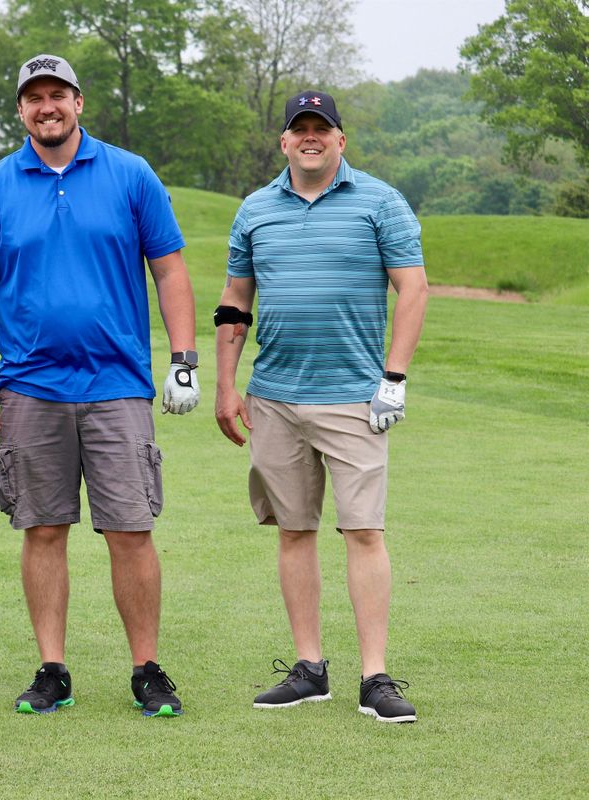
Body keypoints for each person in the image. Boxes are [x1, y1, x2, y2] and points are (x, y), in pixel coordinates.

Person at [0, 54, 199, 718]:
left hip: (118, 382)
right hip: (29, 387)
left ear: (79, 102)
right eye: (34, 97)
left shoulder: (130, 174)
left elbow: (169, 270)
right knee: (42, 529)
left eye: (57, 94)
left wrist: (183, 359)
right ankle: (53, 669)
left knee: (131, 530)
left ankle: (147, 669)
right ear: (21, 110)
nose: (47, 107)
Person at [215, 90, 428, 724]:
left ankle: (375, 677)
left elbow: (413, 289)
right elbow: (235, 298)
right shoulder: (256, 209)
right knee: (293, 530)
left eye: (322, 128)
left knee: (363, 530)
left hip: (354, 397)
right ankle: (309, 670)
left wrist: (394, 378)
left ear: (340, 140)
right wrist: (226, 384)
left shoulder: (380, 202)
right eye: (299, 128)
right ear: (284, 141)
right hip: (275, 397)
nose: (310, 137)